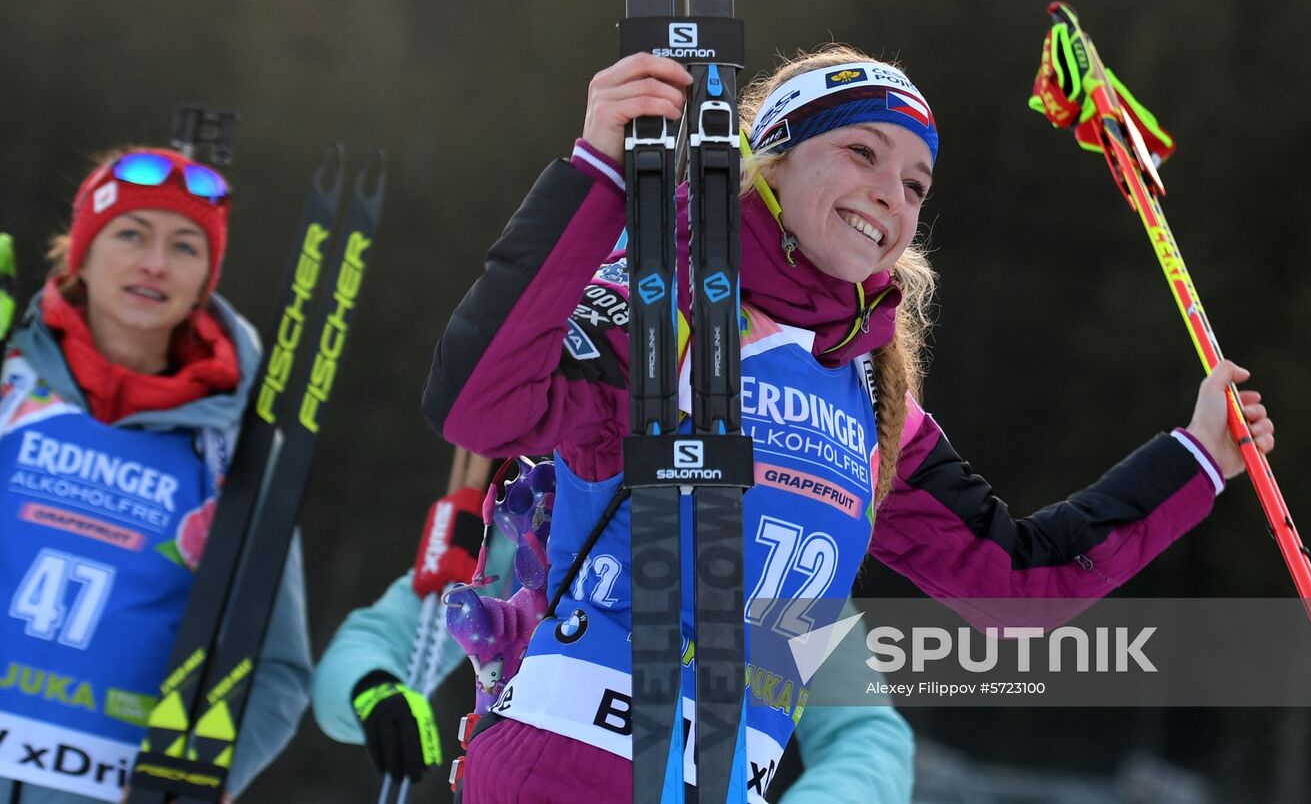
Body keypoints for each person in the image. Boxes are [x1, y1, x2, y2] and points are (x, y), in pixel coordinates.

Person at [420, 46, 1275, 802]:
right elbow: (479, 405)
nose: (889, 195)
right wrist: (598, 174)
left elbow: (1015, 584)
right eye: (862, 152)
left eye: (914, 183)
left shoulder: (872, 397)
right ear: (774, 163)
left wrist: (1197, 457)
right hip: (572, 767)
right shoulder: (662, 299)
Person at [0, 147, 312, 803]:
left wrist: (205, 783)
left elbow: (275, 670)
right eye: (131, 234)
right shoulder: (9, 387)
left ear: (206, 279)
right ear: (79, 251)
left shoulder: (241, 449)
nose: (154, 263)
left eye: (185, 246)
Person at [312, 511, 915, 802]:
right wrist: (373, 692)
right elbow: (383, 639)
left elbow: (870, 737)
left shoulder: (788, 564)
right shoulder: (537, 521)